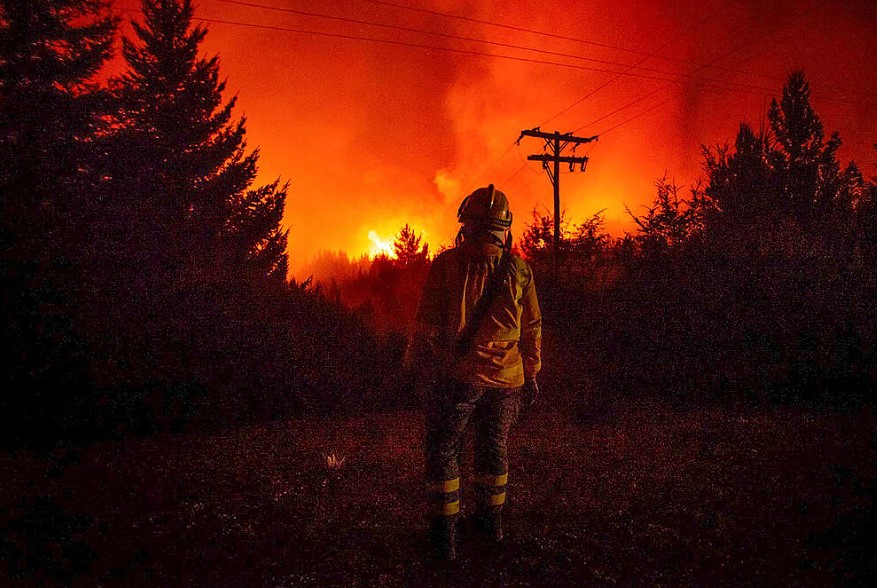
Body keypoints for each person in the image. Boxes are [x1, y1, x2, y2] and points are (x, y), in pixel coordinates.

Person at [407, 184, 542, 561]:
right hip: (508, 380)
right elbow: (533, 328)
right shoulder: (520, 271)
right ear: (505, 228)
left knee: (444, 449)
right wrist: (531, 373)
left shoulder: (448, 265)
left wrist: (415, 365)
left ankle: (444, 539)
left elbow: (427, 325)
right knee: (493, 449)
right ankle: (490, 526)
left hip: (460, 377)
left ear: (466, 223)